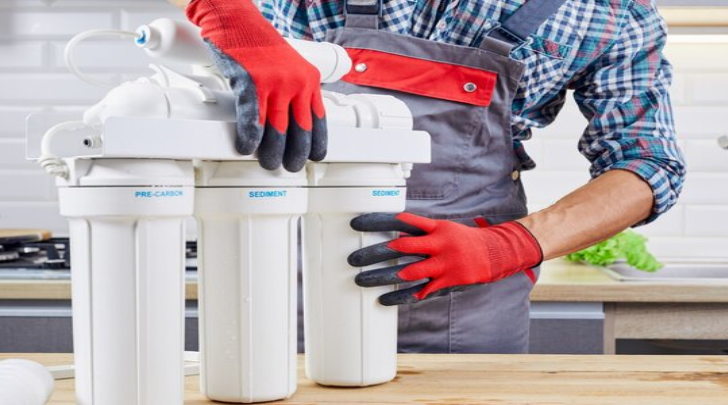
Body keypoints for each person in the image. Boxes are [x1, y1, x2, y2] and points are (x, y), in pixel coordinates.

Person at [177, 0, 686, 354]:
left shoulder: (613, 14)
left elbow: (648, 165)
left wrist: (508, 246)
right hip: (272, 280)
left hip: (463, 307)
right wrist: (234, 20)